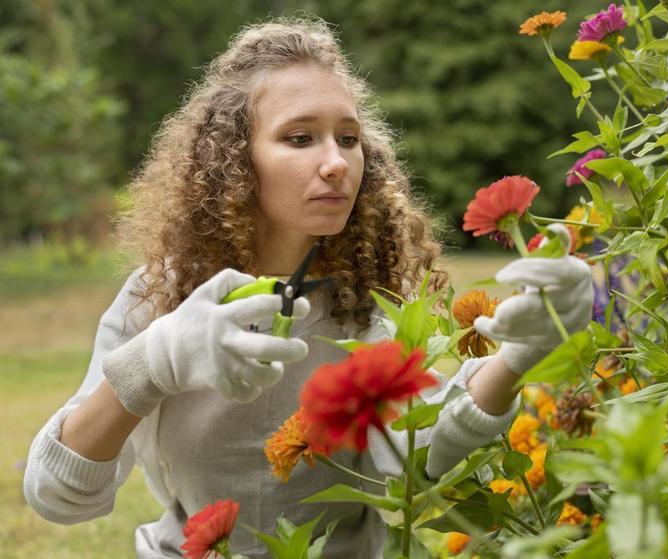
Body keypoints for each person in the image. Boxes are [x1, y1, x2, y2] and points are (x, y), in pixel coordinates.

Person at [23, 17, 593, 558]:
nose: (336, 163)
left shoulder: (360, 302)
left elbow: (417, 458)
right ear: (233, 161)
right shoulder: (162, 297)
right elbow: (56, 494)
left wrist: (520, 357)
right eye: (300, 139)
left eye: (348, 138)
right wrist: (150, 362)